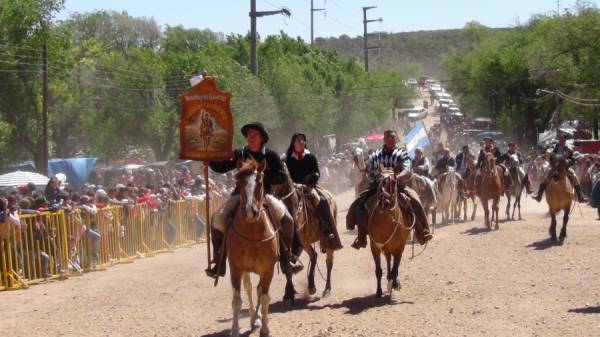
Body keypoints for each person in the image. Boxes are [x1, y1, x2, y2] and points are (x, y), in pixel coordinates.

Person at [206, 122, 303, 279]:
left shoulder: (270, 156)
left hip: (265, 196)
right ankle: (219, 260)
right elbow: (222, 166)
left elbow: (281, 176)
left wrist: (264, 177)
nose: (250, 137)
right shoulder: (239, 153)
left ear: (262, 138)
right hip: (240, 195)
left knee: (288, 220)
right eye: (249, 134)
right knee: (217, 219)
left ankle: (288, 257)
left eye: (254, 134)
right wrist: (209, 161)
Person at [347, 129, 433, 249]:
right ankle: (361, 236)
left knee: (414, 200)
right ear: (384, 139)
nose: (390, 139)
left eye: (392, 137)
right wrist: (360, 163)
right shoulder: (376, 154)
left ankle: (422, 231)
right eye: (388, 137)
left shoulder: (401, 153)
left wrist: (397, 176)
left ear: (395, 139)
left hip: (397, 185)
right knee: (359, 203)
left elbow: (407, 169)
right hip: (378, 186)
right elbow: (367, 168)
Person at [284, 133, 337, 242]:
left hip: (308, 187)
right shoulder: (288, 159)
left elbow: (317, 173)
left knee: (320, 200)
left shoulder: (310, 157)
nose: (302, 142)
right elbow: (286, 175)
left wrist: (311, 179)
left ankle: (325, 226)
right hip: (293, 188)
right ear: (293, 143)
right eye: (299, 140)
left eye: (303, 140)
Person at [534, 133, 586, 202]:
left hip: (564, 167)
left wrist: (567, 162)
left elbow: (572, 159)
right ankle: (539, 195)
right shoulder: (555, 147)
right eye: (559, 138)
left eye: (561, 138)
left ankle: (580, 196)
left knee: (574, 176)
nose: (560, 140)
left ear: (565, 139)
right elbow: (550, 158)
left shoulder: (569, 148)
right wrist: (552, 160)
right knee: (545, 177)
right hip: (554, 168)